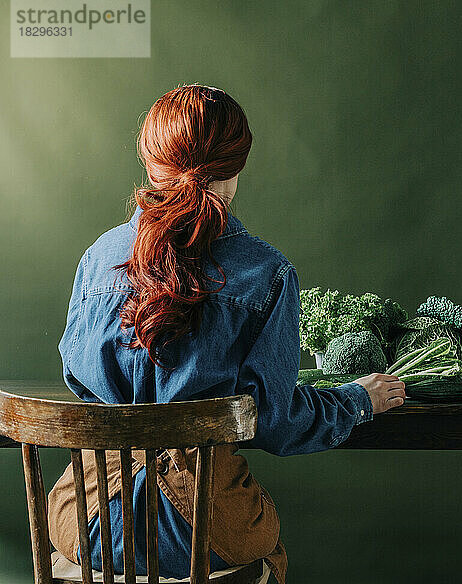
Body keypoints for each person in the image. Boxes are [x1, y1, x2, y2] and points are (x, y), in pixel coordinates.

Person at [48, 84, 405, 584]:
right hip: (199, 530)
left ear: (151, 165)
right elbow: (275, 423)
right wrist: (356, 401)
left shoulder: (97, 258)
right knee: (261, 547)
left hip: (82, 521)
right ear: (234, 170)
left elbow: (78, 382)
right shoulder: (267, 272)